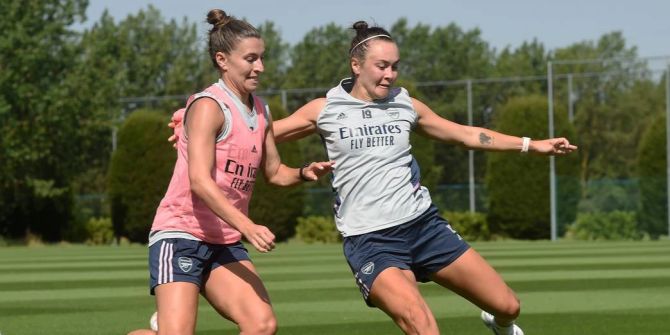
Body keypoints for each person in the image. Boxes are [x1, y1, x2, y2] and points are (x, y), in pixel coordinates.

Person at [170, 21, 576, 335]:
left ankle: (499, 325)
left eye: (395, 66)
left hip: (425, 226)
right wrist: (192, 125)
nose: (390, 75)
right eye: (382, 66)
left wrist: (531, 144)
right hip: (372, 242)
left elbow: (467, 134)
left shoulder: (405, 104)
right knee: (423, 324)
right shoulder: (325, 108)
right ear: (357, 65)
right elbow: (256, 130)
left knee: (509, 305)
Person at [128, 9, 333, 335]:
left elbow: (275, 171)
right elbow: (199, 181)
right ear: (222, 60)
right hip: (181, 234)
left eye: (262, 58)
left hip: (223, 241)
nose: (260, 67)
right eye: (251, 59)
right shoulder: (209, 107)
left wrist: (304, 172)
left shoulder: (262, 109)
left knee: (262, 324)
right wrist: (247, 226)